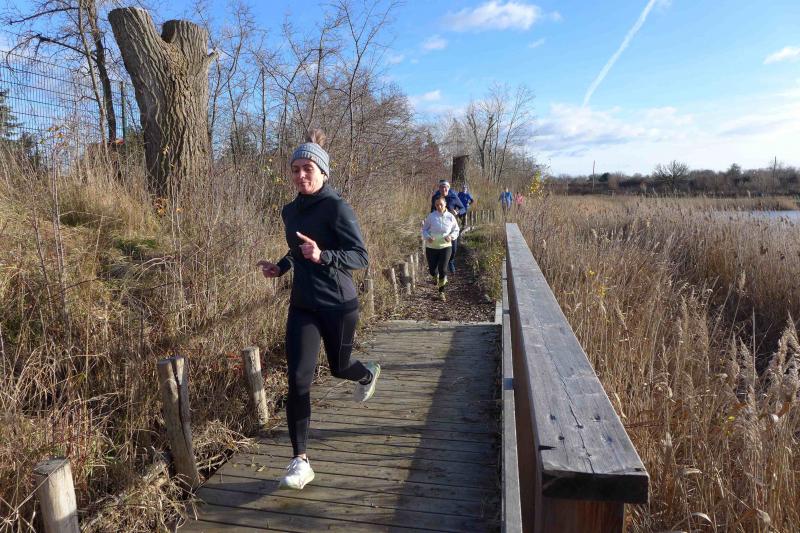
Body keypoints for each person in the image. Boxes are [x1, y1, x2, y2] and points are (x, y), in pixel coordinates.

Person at [256, 129, 380, 491]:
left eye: (307, 168)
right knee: (298, 379)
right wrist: (281, 266)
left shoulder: (337, 207)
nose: (300, 175)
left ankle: (366, 374)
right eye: (295, 169)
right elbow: (296, 250)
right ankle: (301, 460)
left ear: (323, 172)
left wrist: (324, 255)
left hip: (338, 304)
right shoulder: (290, 211)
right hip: (303, 305)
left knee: (340, 367)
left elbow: (360, 256)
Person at [422, 196, 460, 301]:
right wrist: (428, 237)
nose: (439, 207)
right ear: (435, 205)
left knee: (443, 269)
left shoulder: (450, 217)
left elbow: (456, 230)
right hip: (431, 247)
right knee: (432, 270)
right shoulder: (431, 216)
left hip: (446, 247)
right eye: (437, 205)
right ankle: (435, 277)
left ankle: (441, 292)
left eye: (441, 205)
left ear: (445, 204)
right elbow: (424, 230)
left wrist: (451, 236)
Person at [430, 180, 465, 273]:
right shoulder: (435, 197)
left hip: (451, 225)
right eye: (441, 187)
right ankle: (439, 267)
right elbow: (432, 210)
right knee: (439, 246)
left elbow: (463, 208)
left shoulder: (453, 197)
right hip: (439, 224)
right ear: (439, 188)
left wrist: (457, 212)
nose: (443, 189)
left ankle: (451, 261)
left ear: (448, 188)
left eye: (445, 187)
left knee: (453, 248)